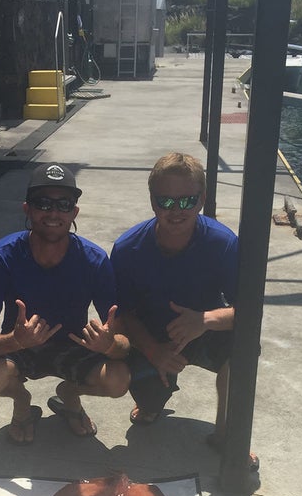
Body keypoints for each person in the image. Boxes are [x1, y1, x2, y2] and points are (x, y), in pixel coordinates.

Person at [111, 152, 258, 471]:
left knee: (245, 346)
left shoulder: (223, 243)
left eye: (186, 201)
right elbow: (122, 315)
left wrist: (204, 320)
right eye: (165, 201)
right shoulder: (127, 249)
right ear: (152, 201)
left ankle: (226, 432)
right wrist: (152, 350)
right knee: (146, 405)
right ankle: (150, 403)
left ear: (202, 199)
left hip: (204, 329)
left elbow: (248, 312)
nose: (176, 211)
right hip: (153, 337)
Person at [0, 163, 130, 444]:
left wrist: (109, 345)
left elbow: (124, 339)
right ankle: (22, 402)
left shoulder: (94, 260)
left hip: (73, 345)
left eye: (64, 204)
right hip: (20, 346)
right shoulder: (2, 256)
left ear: (74, 212)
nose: (53, 212)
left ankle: (69, 393)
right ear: (27, 209)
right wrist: (15, 340)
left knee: (118, 380)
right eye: (43, 203)